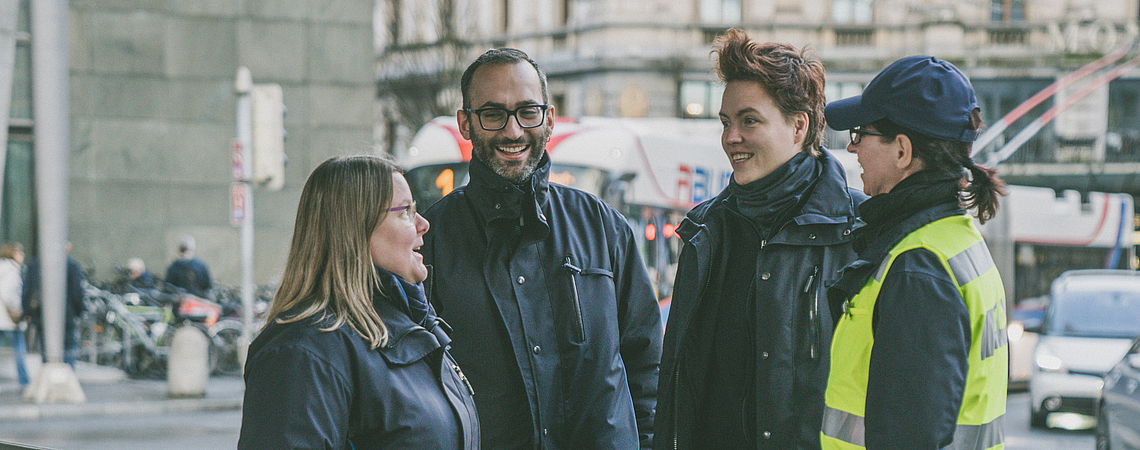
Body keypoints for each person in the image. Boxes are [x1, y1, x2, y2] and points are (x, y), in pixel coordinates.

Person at [420, 48, 663, 449]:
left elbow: (648, 369)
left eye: (527, 112)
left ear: (549, 119)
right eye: (493, 114)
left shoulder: (603, 227)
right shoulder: (432, 241)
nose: (513, 131)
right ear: (465, 122)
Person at [655, 29, 864, 449]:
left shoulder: (858, 230)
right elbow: (679, 384)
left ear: (799, 126)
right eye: (725, 122)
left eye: (749, 120)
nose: (731, 137)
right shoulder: (703, 230)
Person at [819, 55, 1008, 449]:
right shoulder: (955, 239)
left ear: (902, 151)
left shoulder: (916, 267)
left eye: (861, 134)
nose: (852, 147)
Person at [239, 155, 479, 449]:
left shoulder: (412, 326)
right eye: (406, 211)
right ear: (355, 228)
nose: (423, 224)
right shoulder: (302, 352)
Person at [21, 242, 85, 367]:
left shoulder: (35, 264)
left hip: (42, 315)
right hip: (66, 315)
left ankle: (50, 372)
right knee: (68, 351)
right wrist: (79, 311)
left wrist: (28, 312)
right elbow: (77, 292)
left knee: (47, 351)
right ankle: (66, 375)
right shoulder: (71, 266)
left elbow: (28, 290)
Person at [0, 243, 29, 388]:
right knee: (19, 350)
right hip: (9, 318)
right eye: (19, 252)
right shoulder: (11, 271)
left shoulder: (3, 268)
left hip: (2, 318)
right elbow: (8, 294)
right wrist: (17, 310)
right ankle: (24, 382)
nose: (22, 255)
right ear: (11, 254)